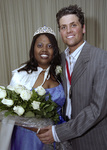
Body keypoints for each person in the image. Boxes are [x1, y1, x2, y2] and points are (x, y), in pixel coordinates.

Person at [37, 5, 107, 150]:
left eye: (73, 25)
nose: (68, 31)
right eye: (63, 27)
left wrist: (58, 133)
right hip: (65, 142)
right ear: (60, 32)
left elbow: (97, 109)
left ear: (83, 28)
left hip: (91, 138)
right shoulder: (58, 60)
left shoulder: (101, 58)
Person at [9, 26, 65, 150]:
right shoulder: (21, 75)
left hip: (56, 135)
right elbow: (10, 113)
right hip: (29, 138)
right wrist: (38, 129)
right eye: (40, 45)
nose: (44, 50)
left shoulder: (60, 74)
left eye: (49, 46)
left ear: (55, 50)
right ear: (33, 48)